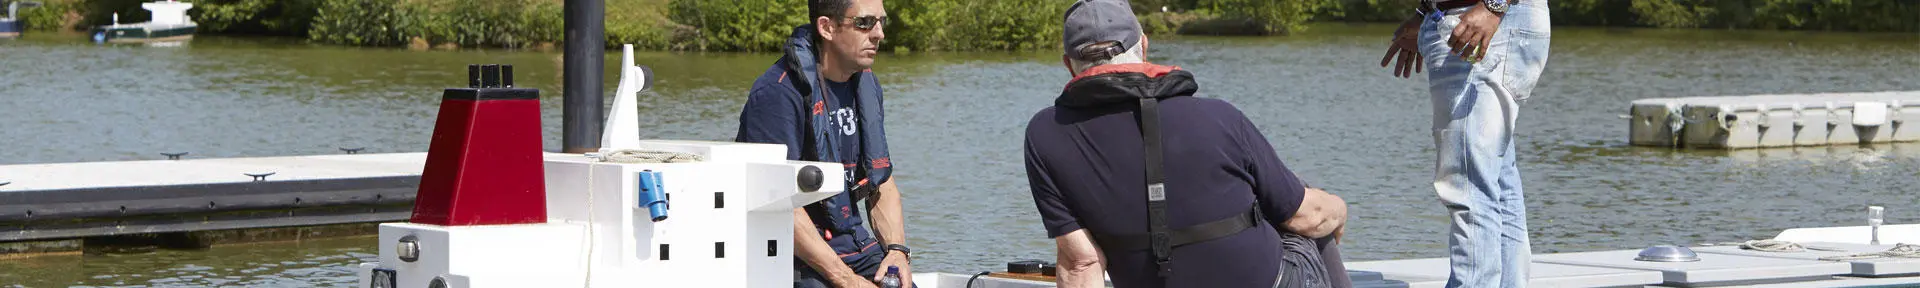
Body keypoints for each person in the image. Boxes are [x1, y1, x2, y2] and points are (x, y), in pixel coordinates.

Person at [1023, 0, 1353, 287]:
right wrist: (1338, 208)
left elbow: (1082, 263)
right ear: (1144, 45)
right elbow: (1307, 218)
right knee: (1307, 204)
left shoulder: (1045, 135)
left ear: (1069, 65)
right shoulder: (1221, 116)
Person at [733, 0, 916, 287]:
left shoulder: (866, 84)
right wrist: (848, 281)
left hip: (854, 245)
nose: (878, 33)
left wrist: (897, 251)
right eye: (865, 23)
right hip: (792, 255)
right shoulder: (777, 94)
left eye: (882, 22)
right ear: (827, 27)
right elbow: (777, 204)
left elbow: (881, 180)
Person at [1379, 0, 1551, 287]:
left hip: (1483, 19)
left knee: (1468, 184)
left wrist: (1493, 6)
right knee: (1495, 180)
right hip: (1466, 17)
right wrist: (1426, 12)